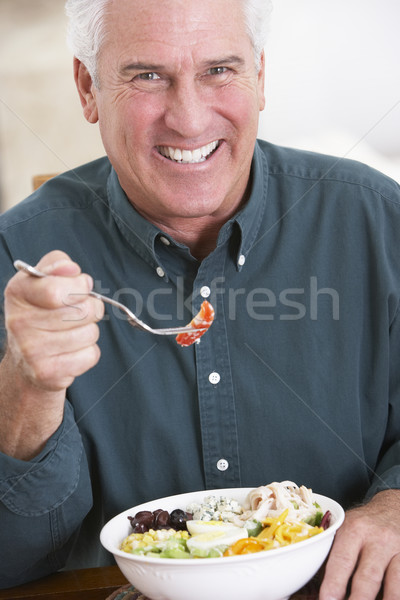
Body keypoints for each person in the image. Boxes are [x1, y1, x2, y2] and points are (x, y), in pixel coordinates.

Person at [0, 0, 399, 597]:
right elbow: (10, 561)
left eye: (219, 70)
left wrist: (394, 505)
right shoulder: (18, 256)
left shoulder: (377, 220)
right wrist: (29, 387)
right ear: (87, 88)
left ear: (260, 77)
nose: (188, 121)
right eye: (147, 75)